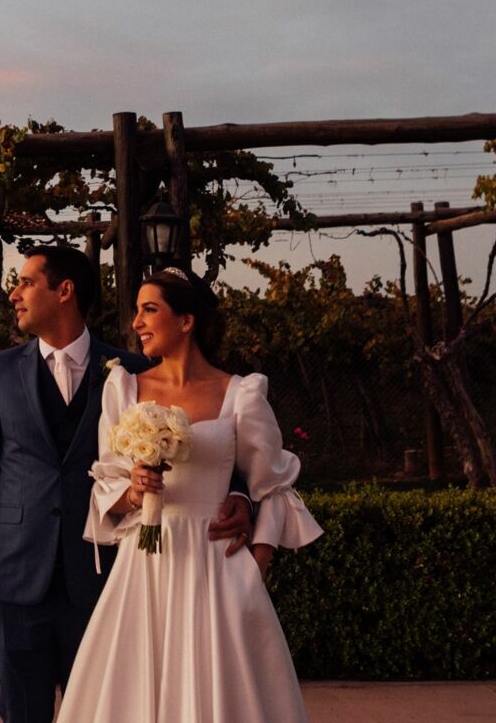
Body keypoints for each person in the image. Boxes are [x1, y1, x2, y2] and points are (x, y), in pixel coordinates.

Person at [0, 245, 255, 723]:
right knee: (22, 714)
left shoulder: (133, 371)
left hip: (106, 574)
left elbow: (207, 438)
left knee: (107, 711)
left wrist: (239, 493)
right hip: (17, 571)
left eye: (26, 282)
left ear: (64, 291)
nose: (14, 294)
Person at [57, 267, 323, 723]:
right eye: (136, 311)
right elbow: (107, 485)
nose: (136, 322)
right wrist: (135, 492)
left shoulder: (242, 394)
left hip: (217, 569)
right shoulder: (124, 387)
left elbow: (274, 487)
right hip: (145, 569)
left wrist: (253, 572)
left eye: (149, 310)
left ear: (187, 320)